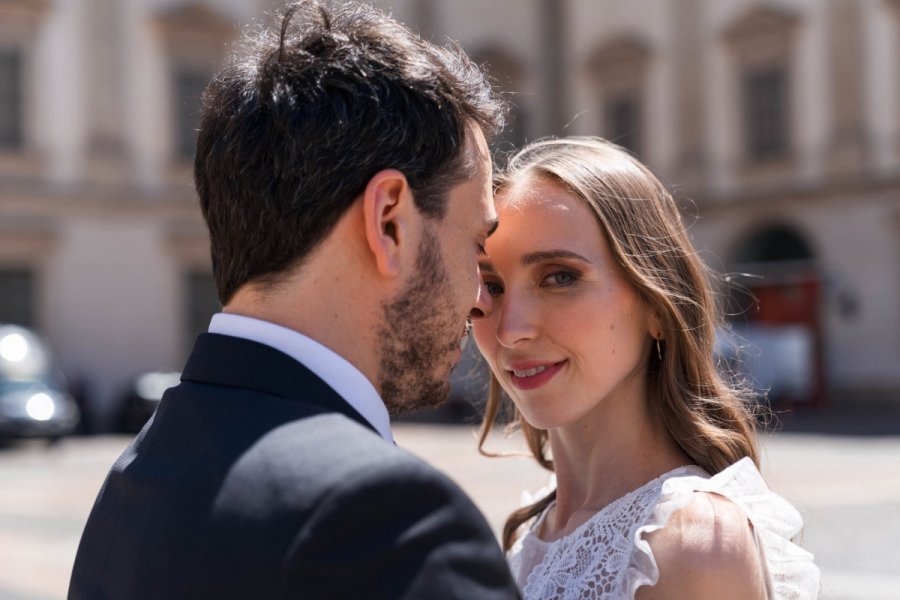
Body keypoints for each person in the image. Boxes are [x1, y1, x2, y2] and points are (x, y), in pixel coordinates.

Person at [69, 2, 520, 598]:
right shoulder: (390, 522)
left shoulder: (136, 477)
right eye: (475, 244)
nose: (481, 297)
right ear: (389, 223)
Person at [472, 137, 820, 599]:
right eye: (490, 285)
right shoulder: (533, 529)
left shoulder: (696, 545)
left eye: (560, 277)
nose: (510, 329)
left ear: (656, 306)